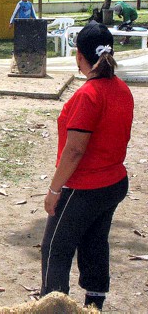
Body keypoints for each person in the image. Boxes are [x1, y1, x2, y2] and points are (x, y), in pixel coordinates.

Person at [41, 21, 134, 310]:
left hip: (85, 187)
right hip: (114, 182)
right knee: (94, 241)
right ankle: (95, 303)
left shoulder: (88, 95)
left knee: (55, 247)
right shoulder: (121, 89)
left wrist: (54, 190)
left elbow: (75, 150)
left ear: (80, 56)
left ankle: (53, 305)